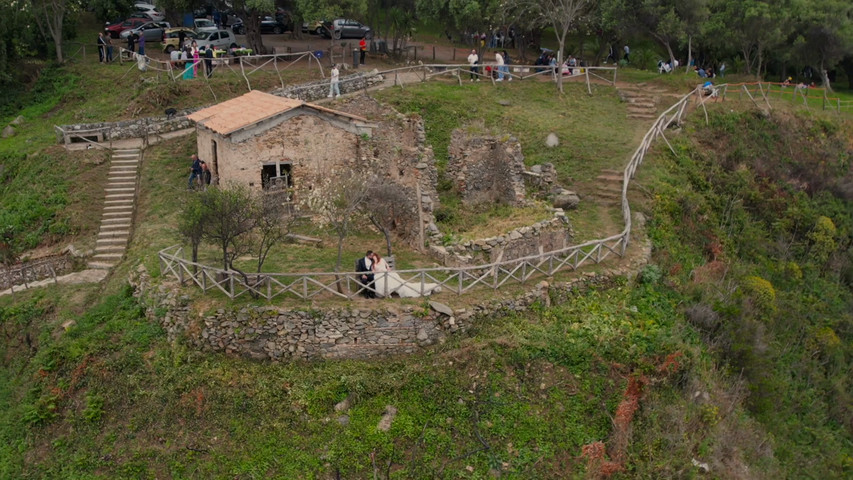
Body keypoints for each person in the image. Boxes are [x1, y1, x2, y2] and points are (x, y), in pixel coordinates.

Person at [371, 252, 442, 298]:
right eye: (372, 257)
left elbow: (387, 267)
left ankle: (423, 288)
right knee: (380, 281)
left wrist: (388, 270)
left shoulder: (382, 260)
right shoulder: (373, 264)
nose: (373, 258)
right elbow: (373, 271)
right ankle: (386, 293)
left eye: (374, 256)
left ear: (376, 256)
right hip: (379, 275)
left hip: (386, 273)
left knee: (397, 281)